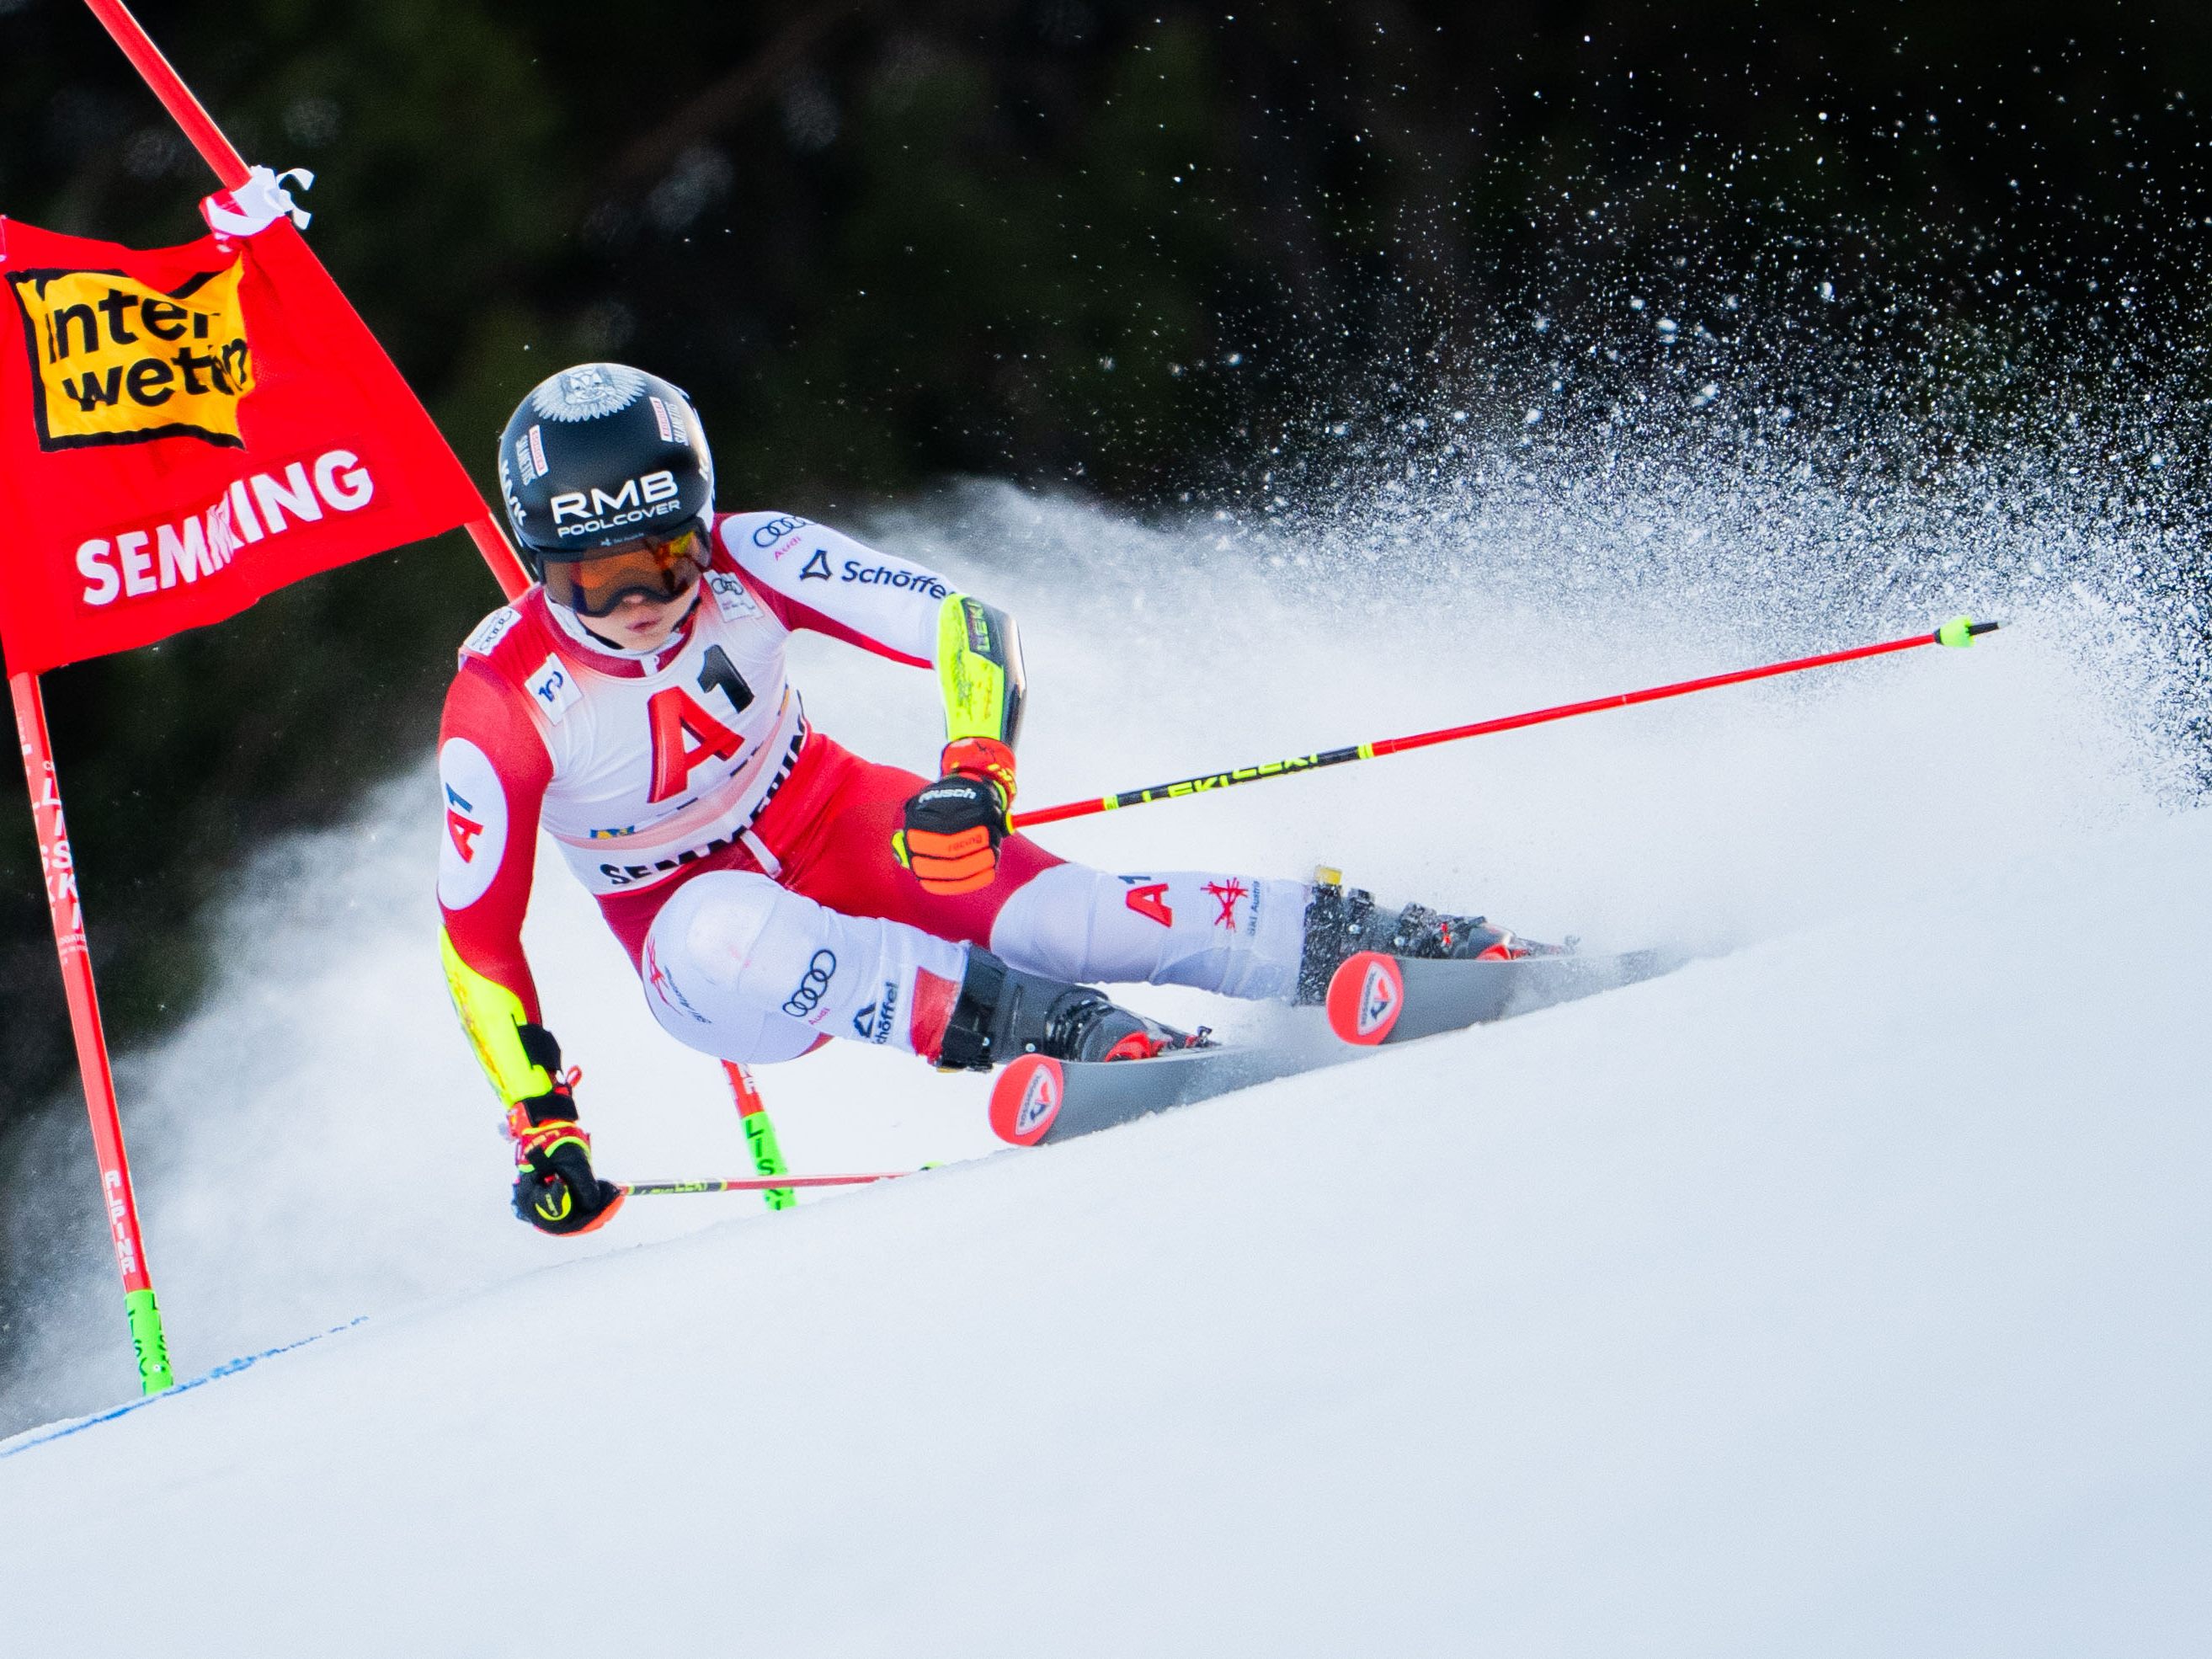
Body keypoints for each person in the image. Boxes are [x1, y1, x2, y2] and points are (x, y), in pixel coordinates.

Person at [440, 363, 1547, 1235]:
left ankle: (1386, 939)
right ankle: (1056, 1025)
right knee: (720, 927)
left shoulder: (754, 557)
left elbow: (965, 623)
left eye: (665, 557)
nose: (638, 599)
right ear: (542, 563)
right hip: (708, 962)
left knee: (1069, 918)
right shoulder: (501, 699)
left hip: (835, 818)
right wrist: (543, 1122)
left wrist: (976, 773)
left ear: (702, 521)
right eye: (594, 577)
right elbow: (476, 939)